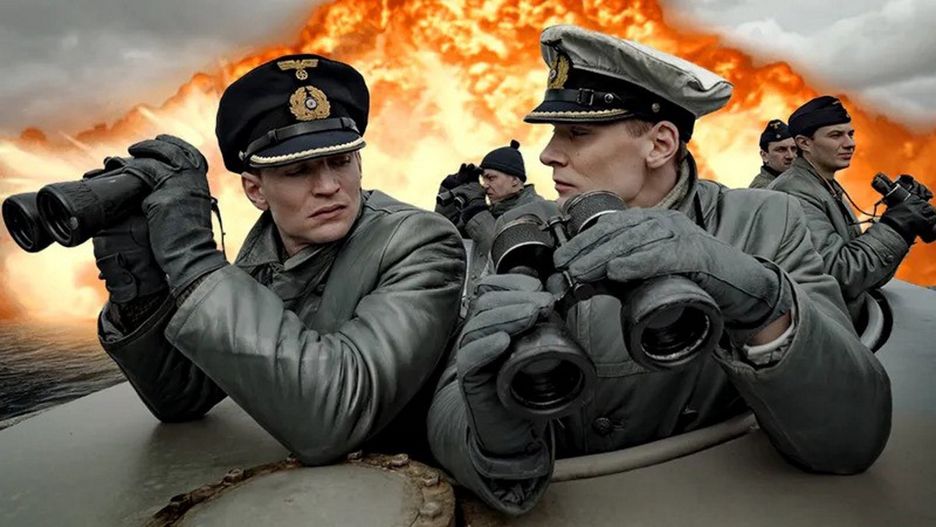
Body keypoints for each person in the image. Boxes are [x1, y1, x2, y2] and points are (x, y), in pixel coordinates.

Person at [427, 25, 892, 515]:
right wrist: (493, 428)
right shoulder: (530, 233)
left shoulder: (762, 223)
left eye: (577, 133)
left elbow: (853, 435)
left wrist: (758, 299)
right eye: (554, 133)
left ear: (660, 143)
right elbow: (452, 404)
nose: (547, 154)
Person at [91, 54, 465, 464]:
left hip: (413, 477)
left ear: (359, 162)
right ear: (256, 191)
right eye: (297, 170)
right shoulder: (265, 257)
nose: (328, 185)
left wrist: (192, 259)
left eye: (341, 161)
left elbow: (334, 419)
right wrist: (136, 281)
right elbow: (182, 396)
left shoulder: (420, 242)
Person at [768, 96, 935, 325]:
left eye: (850, 134)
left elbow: (869, 278)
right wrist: (896, 225)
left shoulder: (824, 185)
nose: (850, 143)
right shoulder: (794, 192)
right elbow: (840, 276)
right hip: (823, 330)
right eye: (836, 135)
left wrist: (903, 220)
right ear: (804, 143)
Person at [436, 140, 543, 315]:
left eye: (491, 178)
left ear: (515, 180)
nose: (485, 185)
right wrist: (450, 189)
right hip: (478, 308)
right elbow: (445, 232)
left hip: (512, 311)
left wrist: (476, 211)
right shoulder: (491, 211)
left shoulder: (535, 210)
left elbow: (505, 251)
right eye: (483, 178)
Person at [749, 119, 795, 188]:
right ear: (764, 156)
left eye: (793, 149)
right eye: (781, 150)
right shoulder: (763, 188)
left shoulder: (797, 178)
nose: (790, 156)